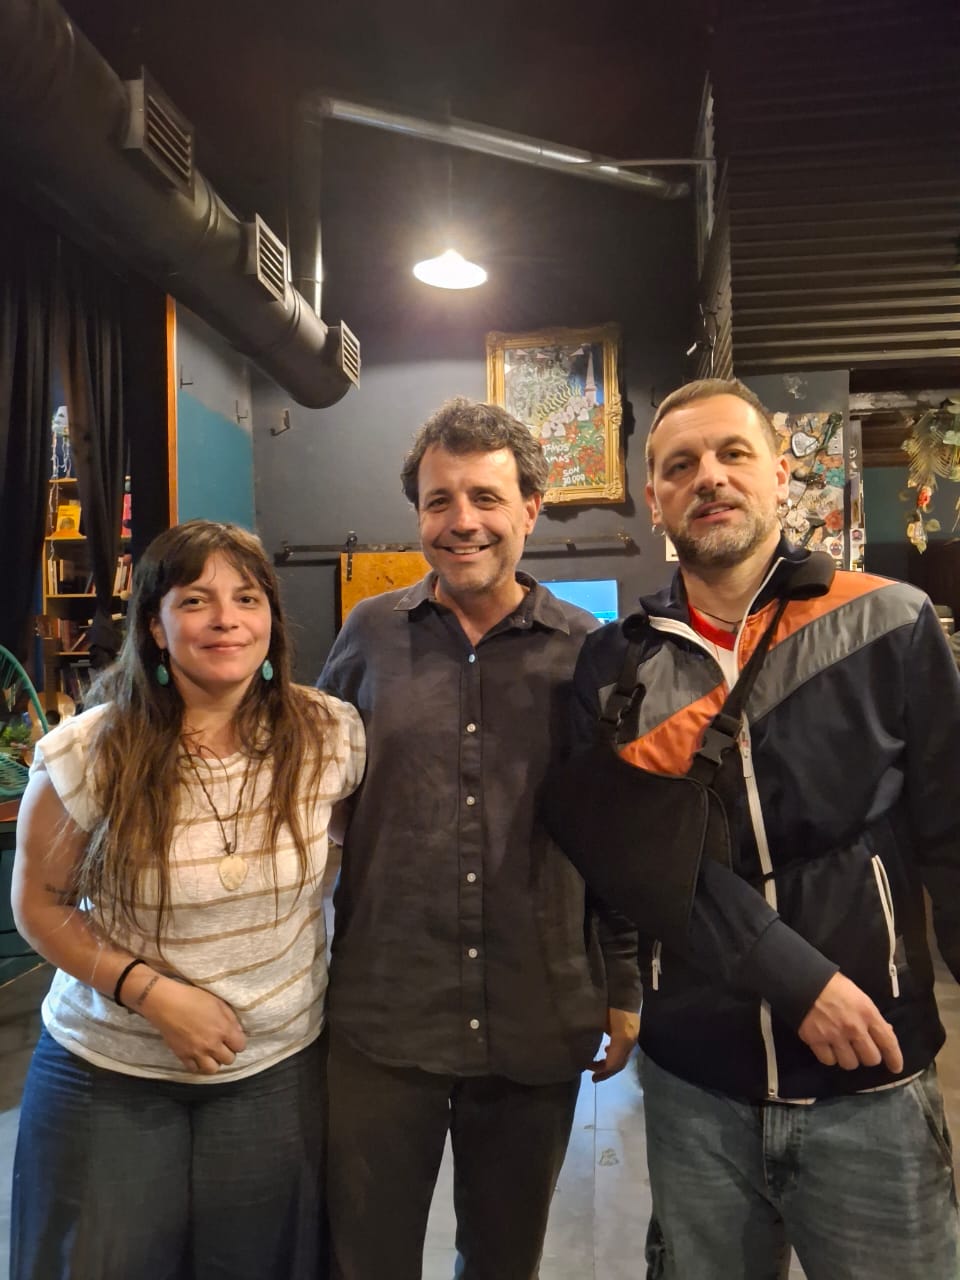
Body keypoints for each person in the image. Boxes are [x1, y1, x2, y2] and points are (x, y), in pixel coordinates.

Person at [571, 377, 960, 1279]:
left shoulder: (887, 620)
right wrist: (792, 978)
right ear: (655, 499)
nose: (708, 476)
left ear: (780, 475)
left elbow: (951, 833)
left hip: (871, 1079)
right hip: (693, 1089)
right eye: (680, 466)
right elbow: (631, 857)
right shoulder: (615, 665)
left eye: (732, 453)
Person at [318, 396, 641, 1280]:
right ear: (419, 515)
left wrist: (622, 984)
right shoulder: (367, 635)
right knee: (364, 1260)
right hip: (383, 1019)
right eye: (439, 500)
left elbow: (615, 833)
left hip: (536, 1014)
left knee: (503, 1261)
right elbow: (307, 795)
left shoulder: (590, 652)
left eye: (486, 498)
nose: (462, 521)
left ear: (530, 509)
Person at [10, 519, 365, 1280]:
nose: (226, 619)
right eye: (196, 600)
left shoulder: (331, 735)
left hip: (274, 1069)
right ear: (156, 626)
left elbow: (371, 853)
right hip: (112, 1070)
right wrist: (153, 994)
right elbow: (40, 905)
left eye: (247, 598)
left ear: (271, 619)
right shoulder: (92, 750)